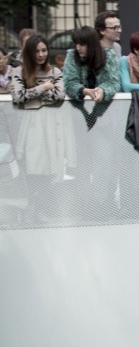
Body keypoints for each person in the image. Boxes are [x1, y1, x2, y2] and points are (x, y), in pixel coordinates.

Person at [10, 34, 72, 221]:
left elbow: (59, 96)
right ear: (29, 52)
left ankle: (41, 212)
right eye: (36, 51)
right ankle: (32, 212)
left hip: (51, 130)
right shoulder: (19, 72)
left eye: (44, 50)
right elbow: (18, 97)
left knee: (48, 174)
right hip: (29, 130)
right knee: (31, 173)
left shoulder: (55, 71)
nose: (41, 54)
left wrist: (33, 95)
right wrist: (43, 88)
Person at [62, 26, 120, 103]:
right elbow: (69, 83)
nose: (78, 48)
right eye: (76, 44)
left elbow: (114, 82)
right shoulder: (72, 56)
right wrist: (84, 91)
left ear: (92, 44)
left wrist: (103, 90)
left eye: (82, 44)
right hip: (78, 107)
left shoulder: (109, 56)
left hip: (105, 107)